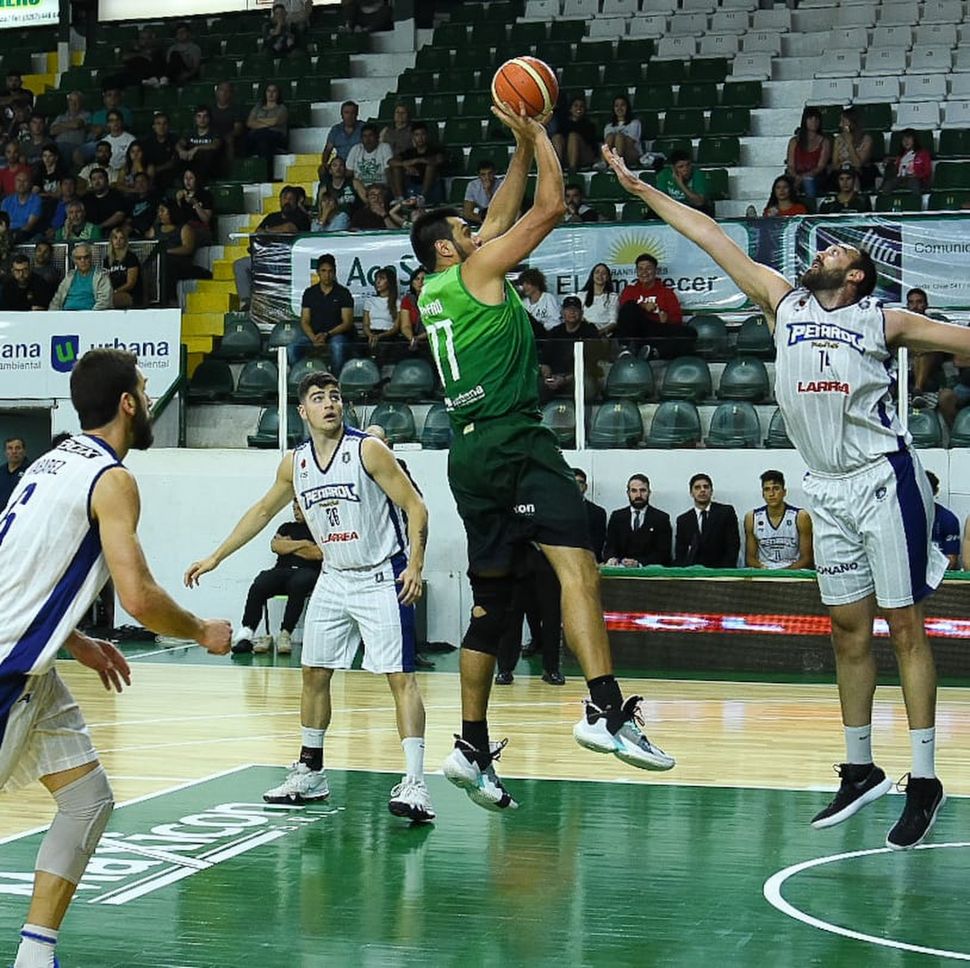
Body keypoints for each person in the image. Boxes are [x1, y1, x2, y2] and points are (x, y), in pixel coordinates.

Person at [604, 139, 960, 849]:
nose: (821, 252)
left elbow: (963, 339)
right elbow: (708, 234)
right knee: (847, 630)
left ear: (856, 275)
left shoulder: (883, 319)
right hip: (825, 488)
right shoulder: (782, 300)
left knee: (904, 627)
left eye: (835, 252)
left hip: (883, 479)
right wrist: (641, 189)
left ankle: (924, 779)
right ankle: (859, 768)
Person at [410, 102, 675, 813]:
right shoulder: (475, 271)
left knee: (490, 605)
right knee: (577, 568)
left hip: (467, 453)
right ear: (448, 249)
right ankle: (606, 710)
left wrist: (518, 152)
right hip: (515, 440)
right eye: (464, 229)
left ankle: (470, 746)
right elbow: (550, 208)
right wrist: (539, 133)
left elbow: (499, 218)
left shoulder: (436, 286)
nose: (478, 228)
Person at [0, 348, 231, 968]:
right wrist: (200, 630)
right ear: (128, 404)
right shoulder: (112, 479)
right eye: (146, 391)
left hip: (34, 670)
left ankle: (35, 955)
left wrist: (73, 639)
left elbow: (18, 568)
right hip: (7, 673)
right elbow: (139, 596)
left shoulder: (50, 462)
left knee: (88, 799)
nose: (150, 401)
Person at [184, 371, 434, 822]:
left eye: (335, 396)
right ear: (303, 411)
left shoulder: (368, 450)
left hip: (381, 574)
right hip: (335, 577)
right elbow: (263, 511)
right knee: (313, 672)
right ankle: (311, 772)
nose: (329, 403)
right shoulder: (294, 463)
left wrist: (414, 565)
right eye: (318, 398)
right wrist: (216, 556)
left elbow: (416, 505)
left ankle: (416, 782)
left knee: (400, 678)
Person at [232, 500, 322, 655]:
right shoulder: (286, 527)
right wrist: (305, 544)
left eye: (299, 508)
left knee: (299, 582)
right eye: (294, 508)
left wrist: (288, 545)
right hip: (282, 570)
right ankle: (246, 633)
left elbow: (317, 554)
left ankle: (285, 634)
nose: (296, 511)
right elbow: (276, 546)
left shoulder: (319, 529)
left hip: (307, 571)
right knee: (260, 583)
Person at [615, 252, 691, 359]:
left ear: (655, 271)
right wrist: (643, 306)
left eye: (648, 268)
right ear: (637, 272)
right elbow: (625, 313)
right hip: (637, 332)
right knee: (629, 306)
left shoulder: (667, 293)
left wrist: (666, 319)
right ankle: (626, 350)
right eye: (640, 269)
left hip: (657, 330)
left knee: (689, 332)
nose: (644, 272)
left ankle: (653, 353)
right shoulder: (629, 290)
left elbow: (677, 319)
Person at [292, 253, 355, 371]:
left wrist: (327, 335)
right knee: (292, 348)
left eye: (330, 271)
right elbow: (304, 320)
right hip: (314, 335)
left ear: (334, 272)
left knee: (338, 346)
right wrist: (313, 338)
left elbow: (347, 322)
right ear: (318, 272)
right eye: (324, 271)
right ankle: (298, 376)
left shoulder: (343, 293)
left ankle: (336, 378)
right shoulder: (309, 293)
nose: (327, 275)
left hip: (336, 335)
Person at [743, 469, 813, 570]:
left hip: (793, 571)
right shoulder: (752, 518)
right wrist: (765, 569)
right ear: (763, 494)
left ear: (784, 492)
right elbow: (750, 559)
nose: (771, 494)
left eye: (776, 488)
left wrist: (785, 572)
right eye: (767, 489)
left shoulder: (800, 516)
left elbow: (807, 558)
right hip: (764, 571)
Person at [604, 474, 673, 567]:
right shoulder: (617, 517)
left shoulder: (661, 519)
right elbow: (609, 547)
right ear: (628, 493)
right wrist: (611, 558)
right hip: (620, 570)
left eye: (643, 490)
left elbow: (663, 553)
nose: (638, 495)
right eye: (634, 491)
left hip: (649, 572)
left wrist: (638, 563)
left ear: (649, 492)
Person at [673, 473, 740, 568]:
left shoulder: (726, 512)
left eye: (706, 487)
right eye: (697, 488)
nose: (702, 490)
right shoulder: (683, 520)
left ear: (711, 491)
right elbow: (681, 553)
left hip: (721, 571)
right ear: (691, 493)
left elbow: (733, 545)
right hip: (693, 572)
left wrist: (724, 571)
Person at [49, 242, 113, 311]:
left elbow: (104, 301)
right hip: (66, 314)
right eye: (79, 258)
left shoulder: (101, 276)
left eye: (86, 257)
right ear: (74, 260)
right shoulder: (69, 277)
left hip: (90, 315)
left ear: (91, 258)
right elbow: (57, 300)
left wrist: (91, 315)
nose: (83, 261)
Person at [245, 83, 289, 180]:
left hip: (276, 136)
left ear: (278, 94)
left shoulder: (282, 108)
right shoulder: (258, 107)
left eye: (274, 91)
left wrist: (258, 121)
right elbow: (249, 122)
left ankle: (266, 175)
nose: (271, 94)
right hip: (258, 136)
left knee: (263, 138)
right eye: (269, 91)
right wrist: (268, 123)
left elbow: (275, 121)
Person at [362, 266, 405, 364]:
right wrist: (370, 335)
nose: (378, 282)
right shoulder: (370, 301)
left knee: (384, 346)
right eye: (376, 279)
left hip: (388, 335)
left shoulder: (397, 303)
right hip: (372, 333)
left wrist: (380, 336)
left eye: (382, 279)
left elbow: (396, 327)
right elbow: (365, 324)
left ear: (389, 282)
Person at [786, 106, 830, 199]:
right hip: (795, 175)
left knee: (808, 182)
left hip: (816, 176)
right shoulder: (794, 141)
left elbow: (820, 167)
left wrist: (803, 177)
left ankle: (811, 205)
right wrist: (797, 177)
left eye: (816, 119)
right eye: (810, 119)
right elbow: (790, 165)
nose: (814, 121)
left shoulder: (824, 142)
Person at [829, 107, 877, 191]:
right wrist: (845, 165)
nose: (840, 125)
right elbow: (835, 164)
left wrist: (849, 144)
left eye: (843, 121)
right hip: (842, 171)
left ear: (852, 122)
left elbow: (858, 164)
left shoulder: (866, 139)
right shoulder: (838, 139)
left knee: (853, 176)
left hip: (861, 173)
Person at [656, 150, 712, 215]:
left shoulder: (698, 175)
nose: (686, 169)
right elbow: (661, 200)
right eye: (681, 167)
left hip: (693, 209)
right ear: (673, 168)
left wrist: (681, 184)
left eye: (688, 165)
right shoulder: (664, 174)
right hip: (672, 208)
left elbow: (699, 203)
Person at [551, 95, 599, 171]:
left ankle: (572, 169)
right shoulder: (564, 123)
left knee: (573, 137)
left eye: (581, 106)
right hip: (567, 155)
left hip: (584, 156)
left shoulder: (589, 125)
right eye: (576, 106)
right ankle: (556, 169)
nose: (578, 108)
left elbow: (592, 147)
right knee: (557, 137)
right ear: (570, 109)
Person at [347, 124, 393, 201]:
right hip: (362, 188)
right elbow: (349, 173)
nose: (367, 139)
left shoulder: (384, 147)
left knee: (376, 190)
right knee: (355, 182)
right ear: (361, 138)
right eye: (364, 136)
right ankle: (370, 203)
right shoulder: (356, 149)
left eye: (370, 135)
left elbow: (388, 171)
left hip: (380, 185)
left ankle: (371, 204)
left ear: (377, 137)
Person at [880, 129, 932, 196]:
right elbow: (896, 169)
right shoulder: (901, 155)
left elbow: (928, 171)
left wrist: (917, 175)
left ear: (914, 139)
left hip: (915, 179)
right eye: (903, 139)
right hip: (900, 178)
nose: (906, 141)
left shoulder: (923, 154)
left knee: (914, 183)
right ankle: (886, 201)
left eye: (908, 138)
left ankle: (916, 201)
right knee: (888, 184)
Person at [925, 471, 960, 570]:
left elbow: (951, 562)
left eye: (926, 491)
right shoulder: (900, 518)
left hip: (936, 575)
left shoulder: (948, 519)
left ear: (935, 491)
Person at [103, 225, 142, 308]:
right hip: (112, 293)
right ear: (111, 240)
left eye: (121, 238)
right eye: (115, 238)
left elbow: (130, 283)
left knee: (110, 300)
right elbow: (106, 281)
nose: (118, 241)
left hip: (130, 294)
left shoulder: (131, 257)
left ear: (125, 241)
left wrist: (115, 291)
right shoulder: (107, 260)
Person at [573, 467, 607, 562]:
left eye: (580, 482)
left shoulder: (598, 513)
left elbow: (598, 544)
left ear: (585, 487)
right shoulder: (557, 512)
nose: (576, 486)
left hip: (589, 562)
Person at [1, 170, 42, 242]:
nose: (21, 184)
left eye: (25, 181)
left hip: (26, 234)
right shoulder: (6, 201)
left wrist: (13, 235)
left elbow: (29, 225)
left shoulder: (36, 200)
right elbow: (2, 223)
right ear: (14, 183)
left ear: (30, 184)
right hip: (7, 234)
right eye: (18, 180)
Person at [602, 94, 642, 168]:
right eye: (616, 106)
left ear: (627, 107)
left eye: (622, 105)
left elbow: (630, 143)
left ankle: (618, 164)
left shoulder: (635, 123)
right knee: (610, 137)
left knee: (619, 137)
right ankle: (604, 163)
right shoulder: (608, 126)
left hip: (630, 154)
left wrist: (618, 137)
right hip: (613, 155)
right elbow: (607, 144)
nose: (619, 108)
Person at [579, 262, 620, 335]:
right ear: (592, 275)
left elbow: (613, 322)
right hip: (584, 333)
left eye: (603, 273)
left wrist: (599, 333)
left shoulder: (613, 297)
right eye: (597, 272)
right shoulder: (581, 295)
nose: (600, 275)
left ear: (607, 277)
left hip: (605, 335)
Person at [517, 267, 560, 332]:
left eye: (527, 283)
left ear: (536, 284)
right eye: (523, 284)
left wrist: (541, 326)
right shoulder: (523, 302)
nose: (524, 287)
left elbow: (555, 321)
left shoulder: (548, 298)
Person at [463, 158, 502, 226]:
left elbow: (500, 208)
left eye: (490, 173)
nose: (487, 177)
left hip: (500, 215)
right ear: (478, 175)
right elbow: (467, 212)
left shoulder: (502, 184)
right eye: (483, 174)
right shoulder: (472, 185)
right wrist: (485, 222)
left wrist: (488, 191)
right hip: (482, 217)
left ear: (495, 172)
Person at [0, 435, 28, 508]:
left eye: (18, 448)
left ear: (24, 451)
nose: (14, 451)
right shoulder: (1, 471)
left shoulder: (31, 470)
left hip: (21, 512)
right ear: (5, 452)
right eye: (10, 448)